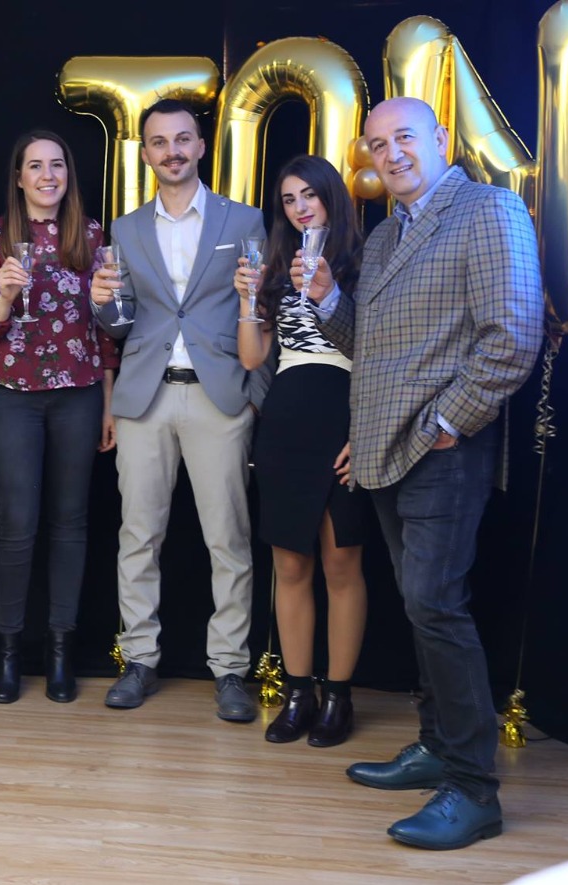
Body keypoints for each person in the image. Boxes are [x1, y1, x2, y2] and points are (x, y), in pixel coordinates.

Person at [307, 97, 543, 849]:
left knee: (436, 605)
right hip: (385, 450)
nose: (392, 154)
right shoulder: (384, 235)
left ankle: (473, 790)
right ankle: (438, 745)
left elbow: (513, 334)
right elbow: (370, 344)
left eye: (404, 137)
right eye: (377, 145)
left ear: (441, 138)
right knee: (421, 606)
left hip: (442, 449)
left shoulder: (489, 210)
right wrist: (328, 299)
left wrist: (446, 423)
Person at [89, 98, 269, 718]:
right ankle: (138, 659)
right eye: (160, 142)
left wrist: (256, 399)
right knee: (138, 535)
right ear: (146, 153)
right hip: (145, 397)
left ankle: (230, 669)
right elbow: (119, 326)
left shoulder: (244, 220)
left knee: (228, 539)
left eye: (183, 139)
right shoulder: (125, 229)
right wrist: (101, 303)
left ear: (200, 146)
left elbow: (261, 310)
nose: (173, 151)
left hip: (220, 397)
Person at [0, 130, 117, 704]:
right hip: (12, 393)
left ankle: (60, 651)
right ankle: (8, 652)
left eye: (57, 165)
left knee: (71, 521)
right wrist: (4, 296)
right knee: (17, 523)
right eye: (35, 166)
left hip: (78, 393)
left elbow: (106, 333)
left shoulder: (92, 235)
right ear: (19, 177)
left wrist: (109, 404)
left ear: (68, 174)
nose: (47, 175)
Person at [231, 155, 369, 746]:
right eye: (289, 199)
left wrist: (367, 433)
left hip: (344, 413)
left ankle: (338, 696)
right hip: (287, 418)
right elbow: (252, 357)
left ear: (331, 195)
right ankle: (298, 693)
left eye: (309, 194)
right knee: (290, 565)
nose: (300, 207)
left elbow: (376, 348)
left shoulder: (365, 259)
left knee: (341, 563)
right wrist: (246, 300)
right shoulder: (276, 265)